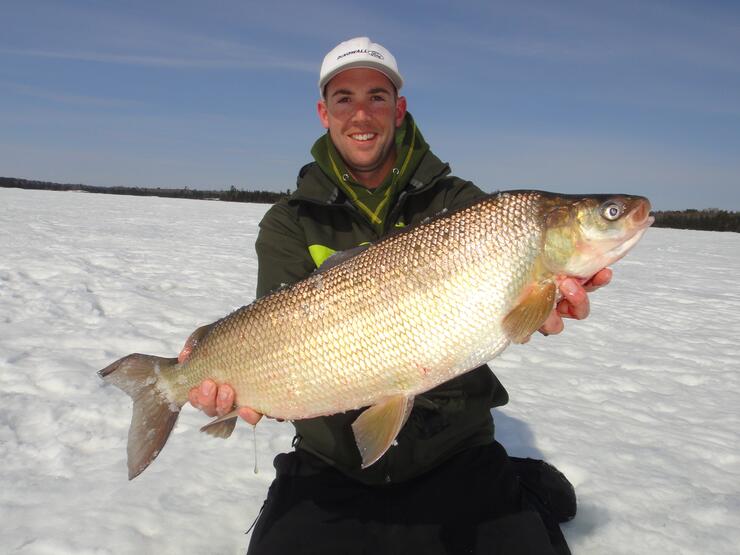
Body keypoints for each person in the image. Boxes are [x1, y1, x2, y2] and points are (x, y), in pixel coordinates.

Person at [188, 37, 611, 554]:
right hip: (330, 461)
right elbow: (279, 337)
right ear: (324, 112)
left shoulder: (464, 206)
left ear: (399, 108)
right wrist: (240, 385)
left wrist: (545, 306)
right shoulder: (288, 223)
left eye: (377, 96)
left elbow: (508, 317)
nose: (361, 113)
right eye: (344, 98)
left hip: (456, 450)